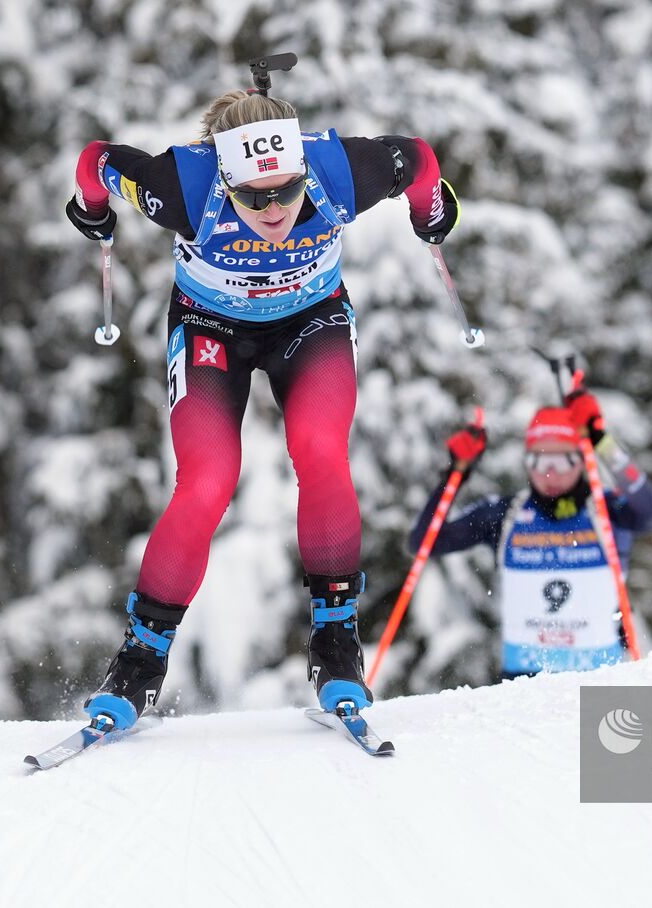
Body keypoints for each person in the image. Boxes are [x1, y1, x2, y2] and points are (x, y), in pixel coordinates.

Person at [65, 88, 459, 728]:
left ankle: (335, 642)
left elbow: (417, 159)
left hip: (311, 321)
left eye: (287, 190)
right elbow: (96, 161)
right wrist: (94, 209)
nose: (274, 209)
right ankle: (140, 660)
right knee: (207, 481)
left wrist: (431, 209)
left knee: (321, 451)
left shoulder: (337, 172)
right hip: (208, 329)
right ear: (226, 179)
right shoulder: (182, 185)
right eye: (253, 197)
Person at [409, 389, 652, 679]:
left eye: (562, 460)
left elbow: (648, 511)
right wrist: (454, 473)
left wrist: (602, 441)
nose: (550, 473)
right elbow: (424, 541)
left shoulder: (607, 510)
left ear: (581, 459)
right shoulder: (506, 514)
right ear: (527, 462)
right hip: (524, 688)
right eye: (540, 461)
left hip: (603, 677)